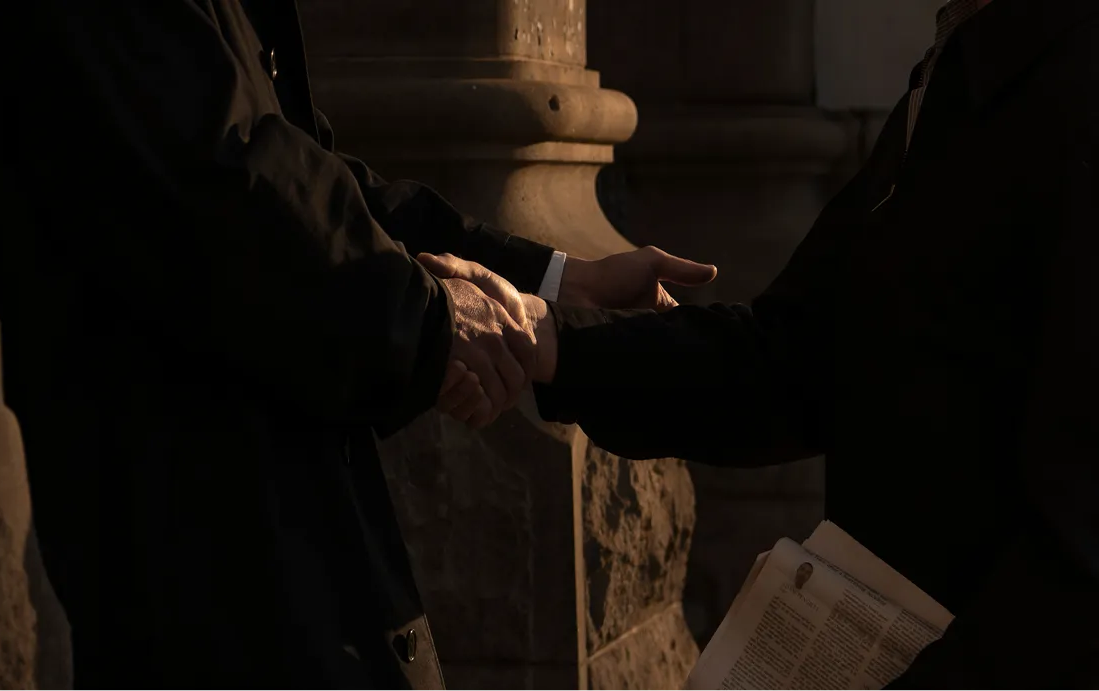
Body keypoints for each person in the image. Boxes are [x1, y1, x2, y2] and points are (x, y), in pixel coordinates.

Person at [0, 2, 717, 689]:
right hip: (200, 536)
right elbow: (232, 189)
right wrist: (434, 321)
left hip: (264, 517)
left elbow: (309, 173)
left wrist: (557, 278)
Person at [425, 0, 1099, 687]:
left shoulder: (1072, 81)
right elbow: (792, 359)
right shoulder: (968, 68)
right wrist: (550, 338)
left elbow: (1081, 557)